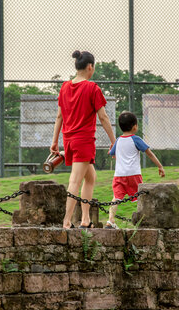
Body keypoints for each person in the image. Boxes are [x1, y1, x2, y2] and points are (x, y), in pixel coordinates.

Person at [50, 50, 116, 229]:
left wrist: (55, 141)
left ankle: (86, 219)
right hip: (84, 141)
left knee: (91, 177)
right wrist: (113, 141)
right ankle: (67, 221)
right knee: (75, 180)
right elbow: (103, 117)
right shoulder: (92, 88)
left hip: (69, 140)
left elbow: (59, 117)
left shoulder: (64, 87)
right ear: (90, 67)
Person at [105, 111, 165, 229]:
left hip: (119, 175)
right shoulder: (136, 139)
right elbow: (149, 153)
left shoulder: (118, 140)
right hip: (133, 174)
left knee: (116, 197)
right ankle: (145, 221)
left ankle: (110, 221)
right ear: (134, 126)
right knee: (140, 197)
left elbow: (112, 154)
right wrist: (160, 166)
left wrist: (111, 150)